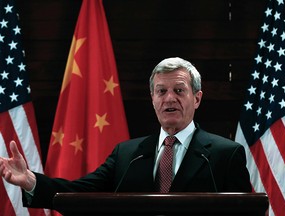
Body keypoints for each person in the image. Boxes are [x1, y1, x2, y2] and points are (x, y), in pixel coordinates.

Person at [0, 57, 252, 210]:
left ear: (196, 99)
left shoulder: (225, 155)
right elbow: (78, 193)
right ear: (152, 99)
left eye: (179, 90)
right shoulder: (128, 154)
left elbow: (247, 213)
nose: (169, 98)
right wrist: (31, 181)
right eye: (161, 91)